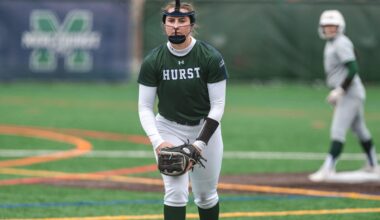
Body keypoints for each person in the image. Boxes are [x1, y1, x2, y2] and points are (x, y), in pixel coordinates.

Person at [137, 1, 228, 219]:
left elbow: (218, 106)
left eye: (181, 20)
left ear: (191, 24)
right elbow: (144, 107)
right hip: (168, 127)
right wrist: (158, 141)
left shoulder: (209, 57)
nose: (176, 26)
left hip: (204, 130)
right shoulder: (153, 61)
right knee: (175, 194)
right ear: (164, 25)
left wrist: (200, 143)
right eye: (171, 21)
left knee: (206, 196)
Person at [309, 10, 379, 182]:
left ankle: (327, 169)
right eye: (326, 26)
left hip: (350, 93)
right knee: (360, 130)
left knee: (337, 131)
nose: (329, 29)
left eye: (333, 26)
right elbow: (353, 58)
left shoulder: (340, 43)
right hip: (350, 92)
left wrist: (340, 90)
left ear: (340, 27)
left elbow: (354, 68)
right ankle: (372, 164)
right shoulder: (334, 42)